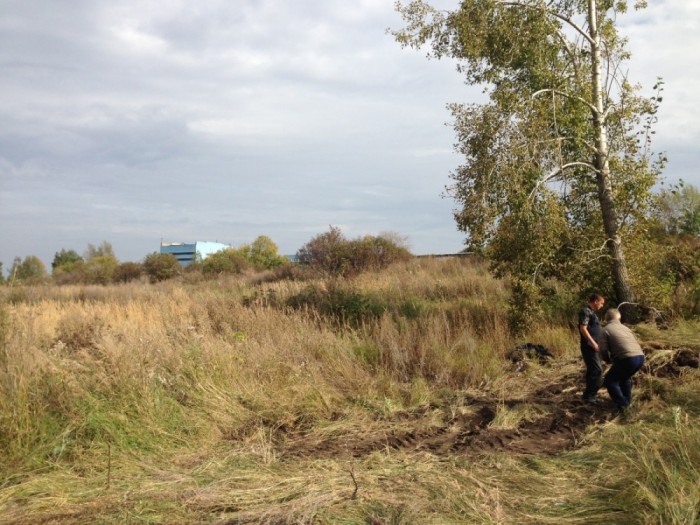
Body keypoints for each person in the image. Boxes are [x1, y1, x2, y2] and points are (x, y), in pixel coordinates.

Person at [600, 308, 645, 413]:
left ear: (606, 318)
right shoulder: (626, 328)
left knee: (609, 381)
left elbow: (603, 349)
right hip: (640, 357)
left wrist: (607, 359)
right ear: (619, 317)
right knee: (624, 378)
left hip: (627, 359)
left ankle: (623, 405)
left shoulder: (605, 329)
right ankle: (627, 402)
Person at [578, 293, 605, 403]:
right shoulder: (585, 311)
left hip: (595, 347)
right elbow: (583, 329)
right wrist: (593, 343)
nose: (602, 306)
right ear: (595, 301)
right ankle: (589, 396)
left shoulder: (592, 313)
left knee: (594, 370)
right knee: (596, 370)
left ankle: (590, 395)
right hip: (589, 347)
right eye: (601, 303)